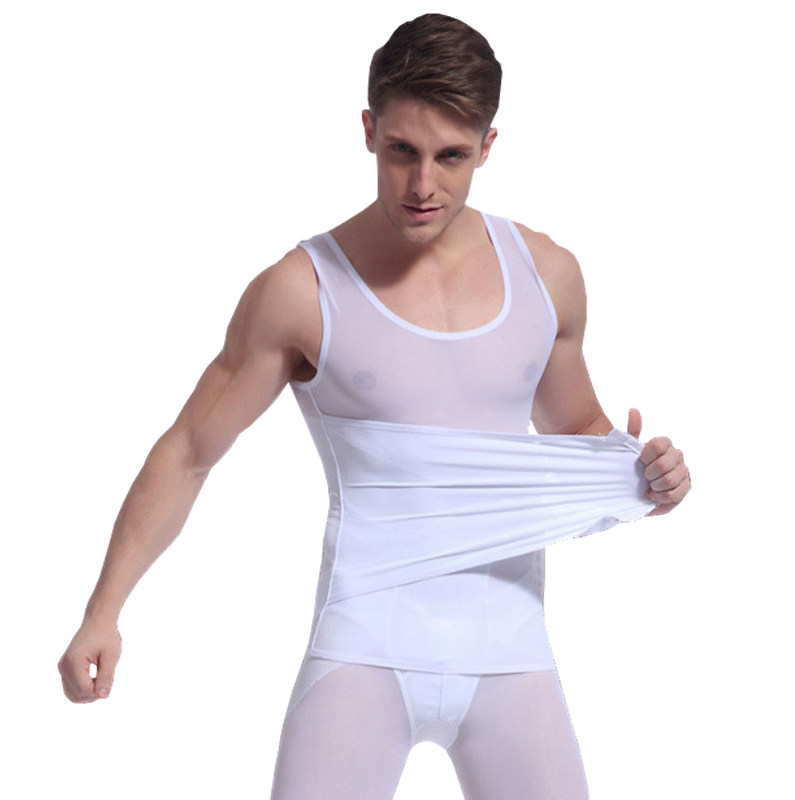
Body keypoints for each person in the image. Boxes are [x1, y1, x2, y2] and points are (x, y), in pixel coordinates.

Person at [59, 13, 690, 800]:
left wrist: (647, 475)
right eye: (401, 151)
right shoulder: (302, 291)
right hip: (364, 652)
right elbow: (190, 450)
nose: (422, 186)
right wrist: (104, 610)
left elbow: (579, 434)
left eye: (450, 156)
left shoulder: (546, 276)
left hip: (511, 652)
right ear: (367, 131)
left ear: (488, 146)